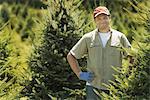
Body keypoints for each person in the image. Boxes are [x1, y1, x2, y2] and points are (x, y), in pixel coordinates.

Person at [67, 6, 131, 100]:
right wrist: (79, 74)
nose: (102, 21)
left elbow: (132, 56)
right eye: (99, 18)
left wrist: (127, 75)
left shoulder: (120, 37)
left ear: (109, 18)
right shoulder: (88, 38)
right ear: (95, 21)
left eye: (105, 17)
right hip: (93, 87)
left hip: (115, 87)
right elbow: (71, 56)